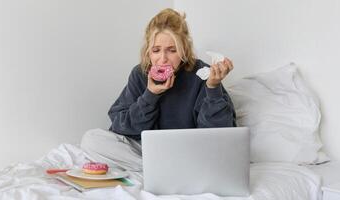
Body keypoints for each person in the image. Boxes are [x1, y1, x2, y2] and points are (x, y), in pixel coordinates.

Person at [80, 8, 236, 172]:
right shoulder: (140, 74)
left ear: (184, 49)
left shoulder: (203, 73)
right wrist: (150, 95)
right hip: (147, 153)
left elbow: (219, 134)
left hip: (189, 152)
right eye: (156, 50)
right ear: (148, 51)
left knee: (216, 154)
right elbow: (120, 126)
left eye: (172, 50)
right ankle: (164, 170)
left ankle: (167, 169)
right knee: (91, 139)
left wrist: (213, 87)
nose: (163, 59)